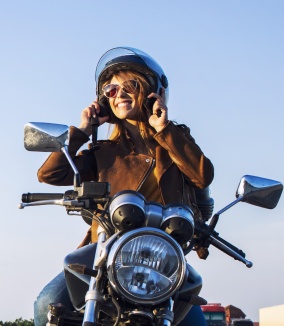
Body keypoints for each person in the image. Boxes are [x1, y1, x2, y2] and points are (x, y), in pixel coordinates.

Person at [32, 47, 214, 326]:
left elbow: (202, 176)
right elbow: (50, 174)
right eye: (111, 89)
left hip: (161, 256)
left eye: (130, 85)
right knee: (46, 304)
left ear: (152, 92)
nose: (120, 94)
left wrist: (164, 129)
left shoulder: (175, 138)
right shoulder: (103, 152)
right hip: (105, 253)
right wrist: (82, 131)